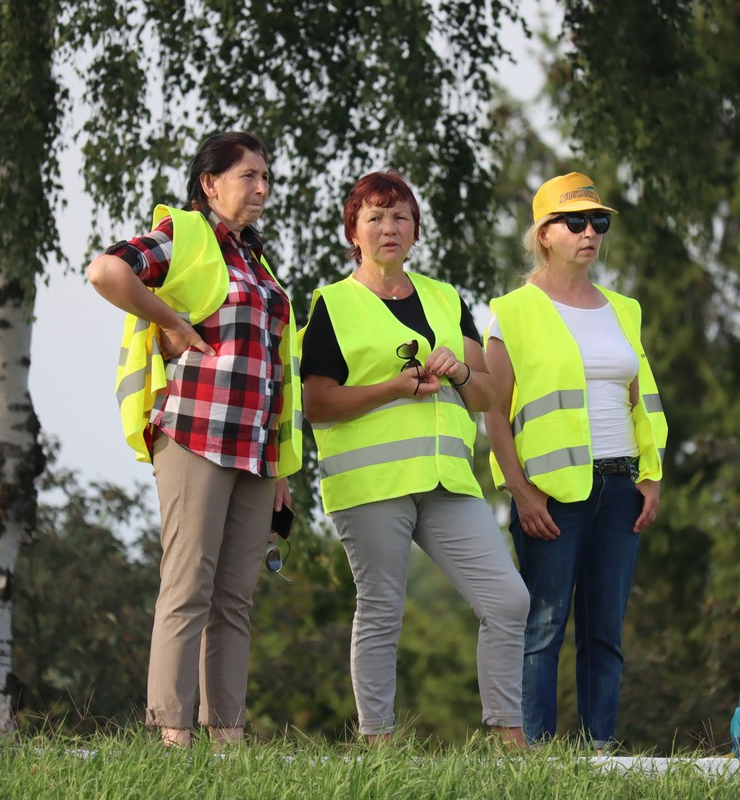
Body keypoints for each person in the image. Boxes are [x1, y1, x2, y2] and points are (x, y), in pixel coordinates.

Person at [299, 170, 530, 747]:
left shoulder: (446, 298)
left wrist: (460, 371)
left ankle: (509, 742)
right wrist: (391, 389)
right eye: (374, 217)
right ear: (353, 231)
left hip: (446, 480)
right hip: (371, 483)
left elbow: (488, 397)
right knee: (381, 609)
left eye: (400, 215)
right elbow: (316, 403)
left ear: (416, 229)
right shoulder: (332, 304)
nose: (388, 227)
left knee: (509, 600)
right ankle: (379, 746)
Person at [86, 131, 302, 747]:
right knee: (188, 587)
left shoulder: (258, 259)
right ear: (210, 184)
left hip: (256, 451)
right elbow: (105, 271)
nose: (261, 188)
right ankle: (172, 737)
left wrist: (282, 467)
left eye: (266, 177)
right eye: (248, 177)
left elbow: (274, 371)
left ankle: (227, 740)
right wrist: (171, 320)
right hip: (196, 434)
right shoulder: (185, 235)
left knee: (234, 600)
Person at [483, 172, 668, 749]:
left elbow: (643, 400)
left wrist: (652, 476)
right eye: (576, 222)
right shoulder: (511, 312)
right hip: (552, 494)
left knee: (604, 634)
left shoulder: (624, 309)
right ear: (544, 234)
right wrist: (521, 492)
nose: (590, 232)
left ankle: (599, 753)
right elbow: (494, 413)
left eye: (599, 222)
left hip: (621, 489)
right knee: (541, 628)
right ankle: (537, 754)